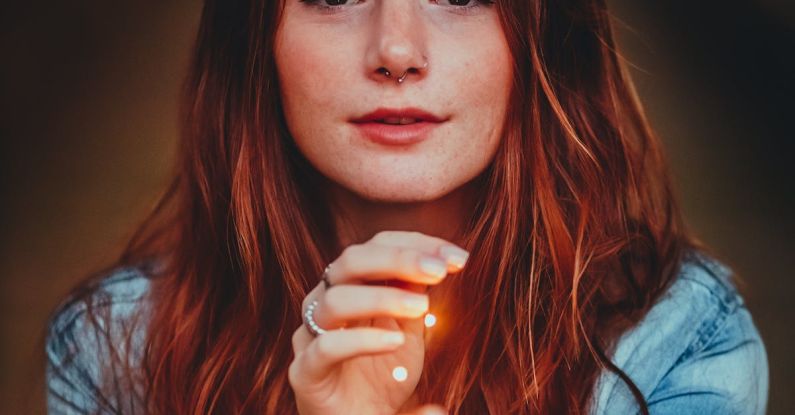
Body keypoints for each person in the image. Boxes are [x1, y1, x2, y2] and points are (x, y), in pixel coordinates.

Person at [44, 0, 769, 414]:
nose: (396, 50)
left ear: (542, 35)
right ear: (255, 36)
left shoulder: (679, 343)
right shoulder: (114, 354)